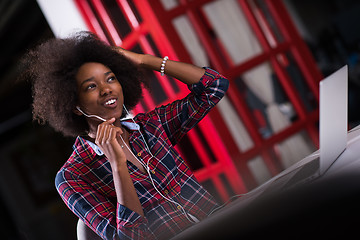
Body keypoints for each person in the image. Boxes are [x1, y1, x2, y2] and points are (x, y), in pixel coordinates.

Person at [25, 32, 229, 240]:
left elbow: (214, 86)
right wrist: (117, 166)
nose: (106, 90)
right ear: (75, 106)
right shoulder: (73, 176)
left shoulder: (151, 126)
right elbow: (130, 237)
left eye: (111, 79)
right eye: (91, 86)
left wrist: (143, 60)